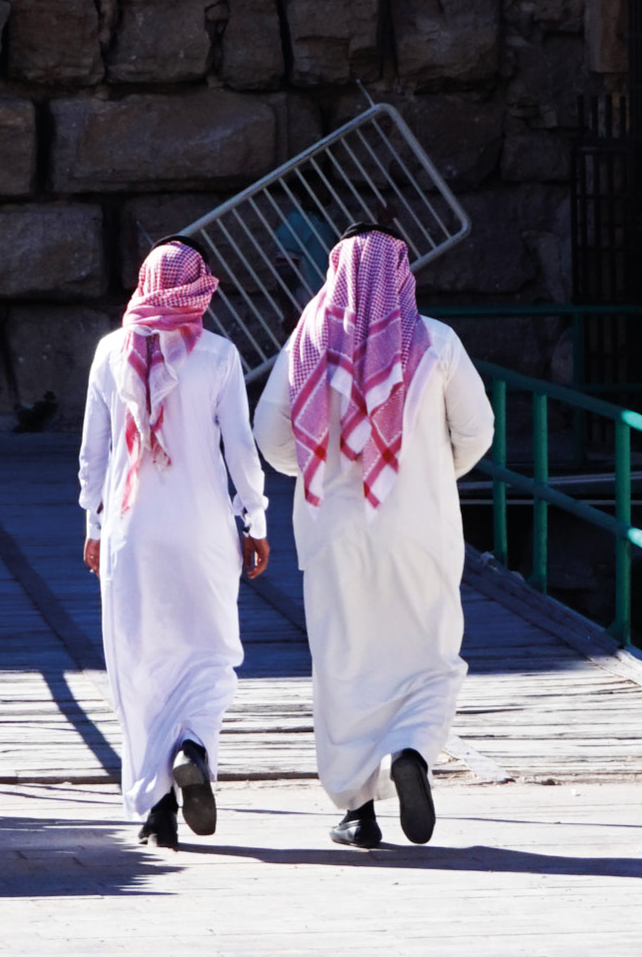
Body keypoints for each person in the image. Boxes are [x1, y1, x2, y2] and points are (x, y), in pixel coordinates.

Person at [252, 228, 493, 849]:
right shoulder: (436, 343)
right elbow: (478, 431)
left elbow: (270, 436)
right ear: (403, 275)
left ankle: (358, 811)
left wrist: (316, 467)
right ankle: (410, 750)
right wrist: (433, 471)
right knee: (433, 657)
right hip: (420, 530)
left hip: (334, 535)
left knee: (343, 664)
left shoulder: (307, 345)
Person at [77, 238, 271, 849]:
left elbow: (94, 454)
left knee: (137, 664)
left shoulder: (110, 352)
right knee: (212, 653)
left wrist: (93, 523)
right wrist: (255, 520)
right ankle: (194, 746)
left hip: (131, 532)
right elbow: (240, 449)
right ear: (198, 288)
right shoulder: (217, 354)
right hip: (205, 528)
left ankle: (156, 806)